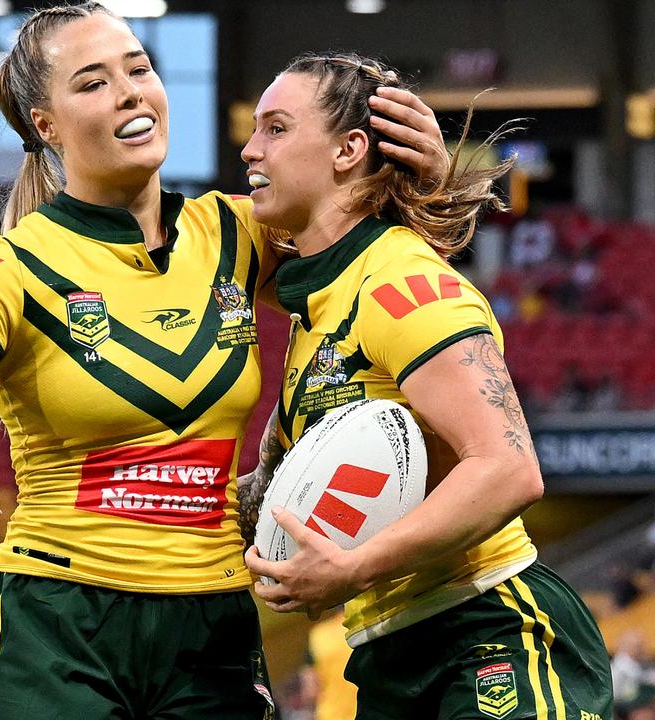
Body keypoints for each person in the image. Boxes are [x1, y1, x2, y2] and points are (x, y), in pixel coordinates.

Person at [0, 4, 448, 719]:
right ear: (47, 126)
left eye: (139, 69)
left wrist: (426, 180)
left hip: (213, 627)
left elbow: (376, 276)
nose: (131, 91)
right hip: (60, 628)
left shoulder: (237, 232)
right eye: (94, 83)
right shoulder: (9, 269)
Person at [238, 53, 614, 720]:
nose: (249, 148)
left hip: (489, 634)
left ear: (348, 149)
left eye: (275, 128)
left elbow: (510, 470)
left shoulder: (404, 286)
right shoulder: (320, 301)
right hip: (392, 652)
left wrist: (352, 570)